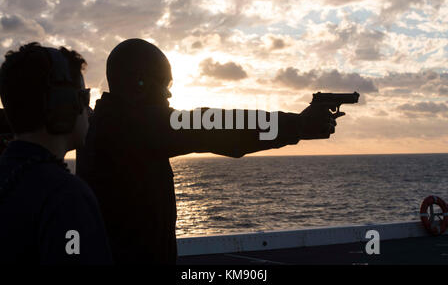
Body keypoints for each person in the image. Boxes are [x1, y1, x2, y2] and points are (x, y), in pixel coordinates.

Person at [76, 38, 344, 264]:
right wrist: (297, 125)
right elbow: (216, 128)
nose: (169, 96)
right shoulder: (133, 126)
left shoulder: (102, 126)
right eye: (164, 85)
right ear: (140, 84)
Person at [0, 42, 113, 264]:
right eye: (84, 97)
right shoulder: (67, 196)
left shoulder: (10, 177)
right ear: (63, 105)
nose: (88, 111)